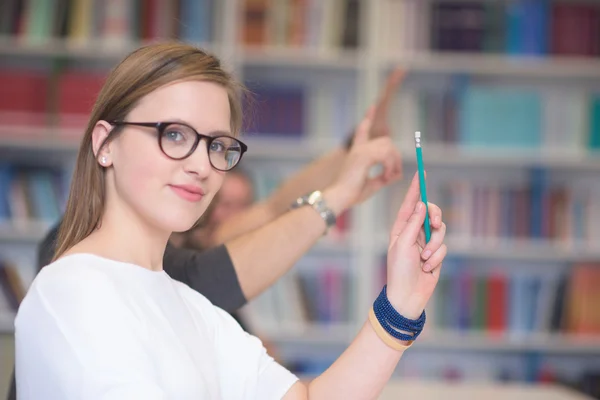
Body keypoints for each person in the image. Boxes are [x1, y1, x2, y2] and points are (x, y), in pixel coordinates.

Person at [14, 42, 447, 399]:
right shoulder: (71, 291)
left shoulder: (194, 308)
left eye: (217, 146)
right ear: (105, 143)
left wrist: (401, 303)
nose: (202, 165)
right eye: (175, 135)